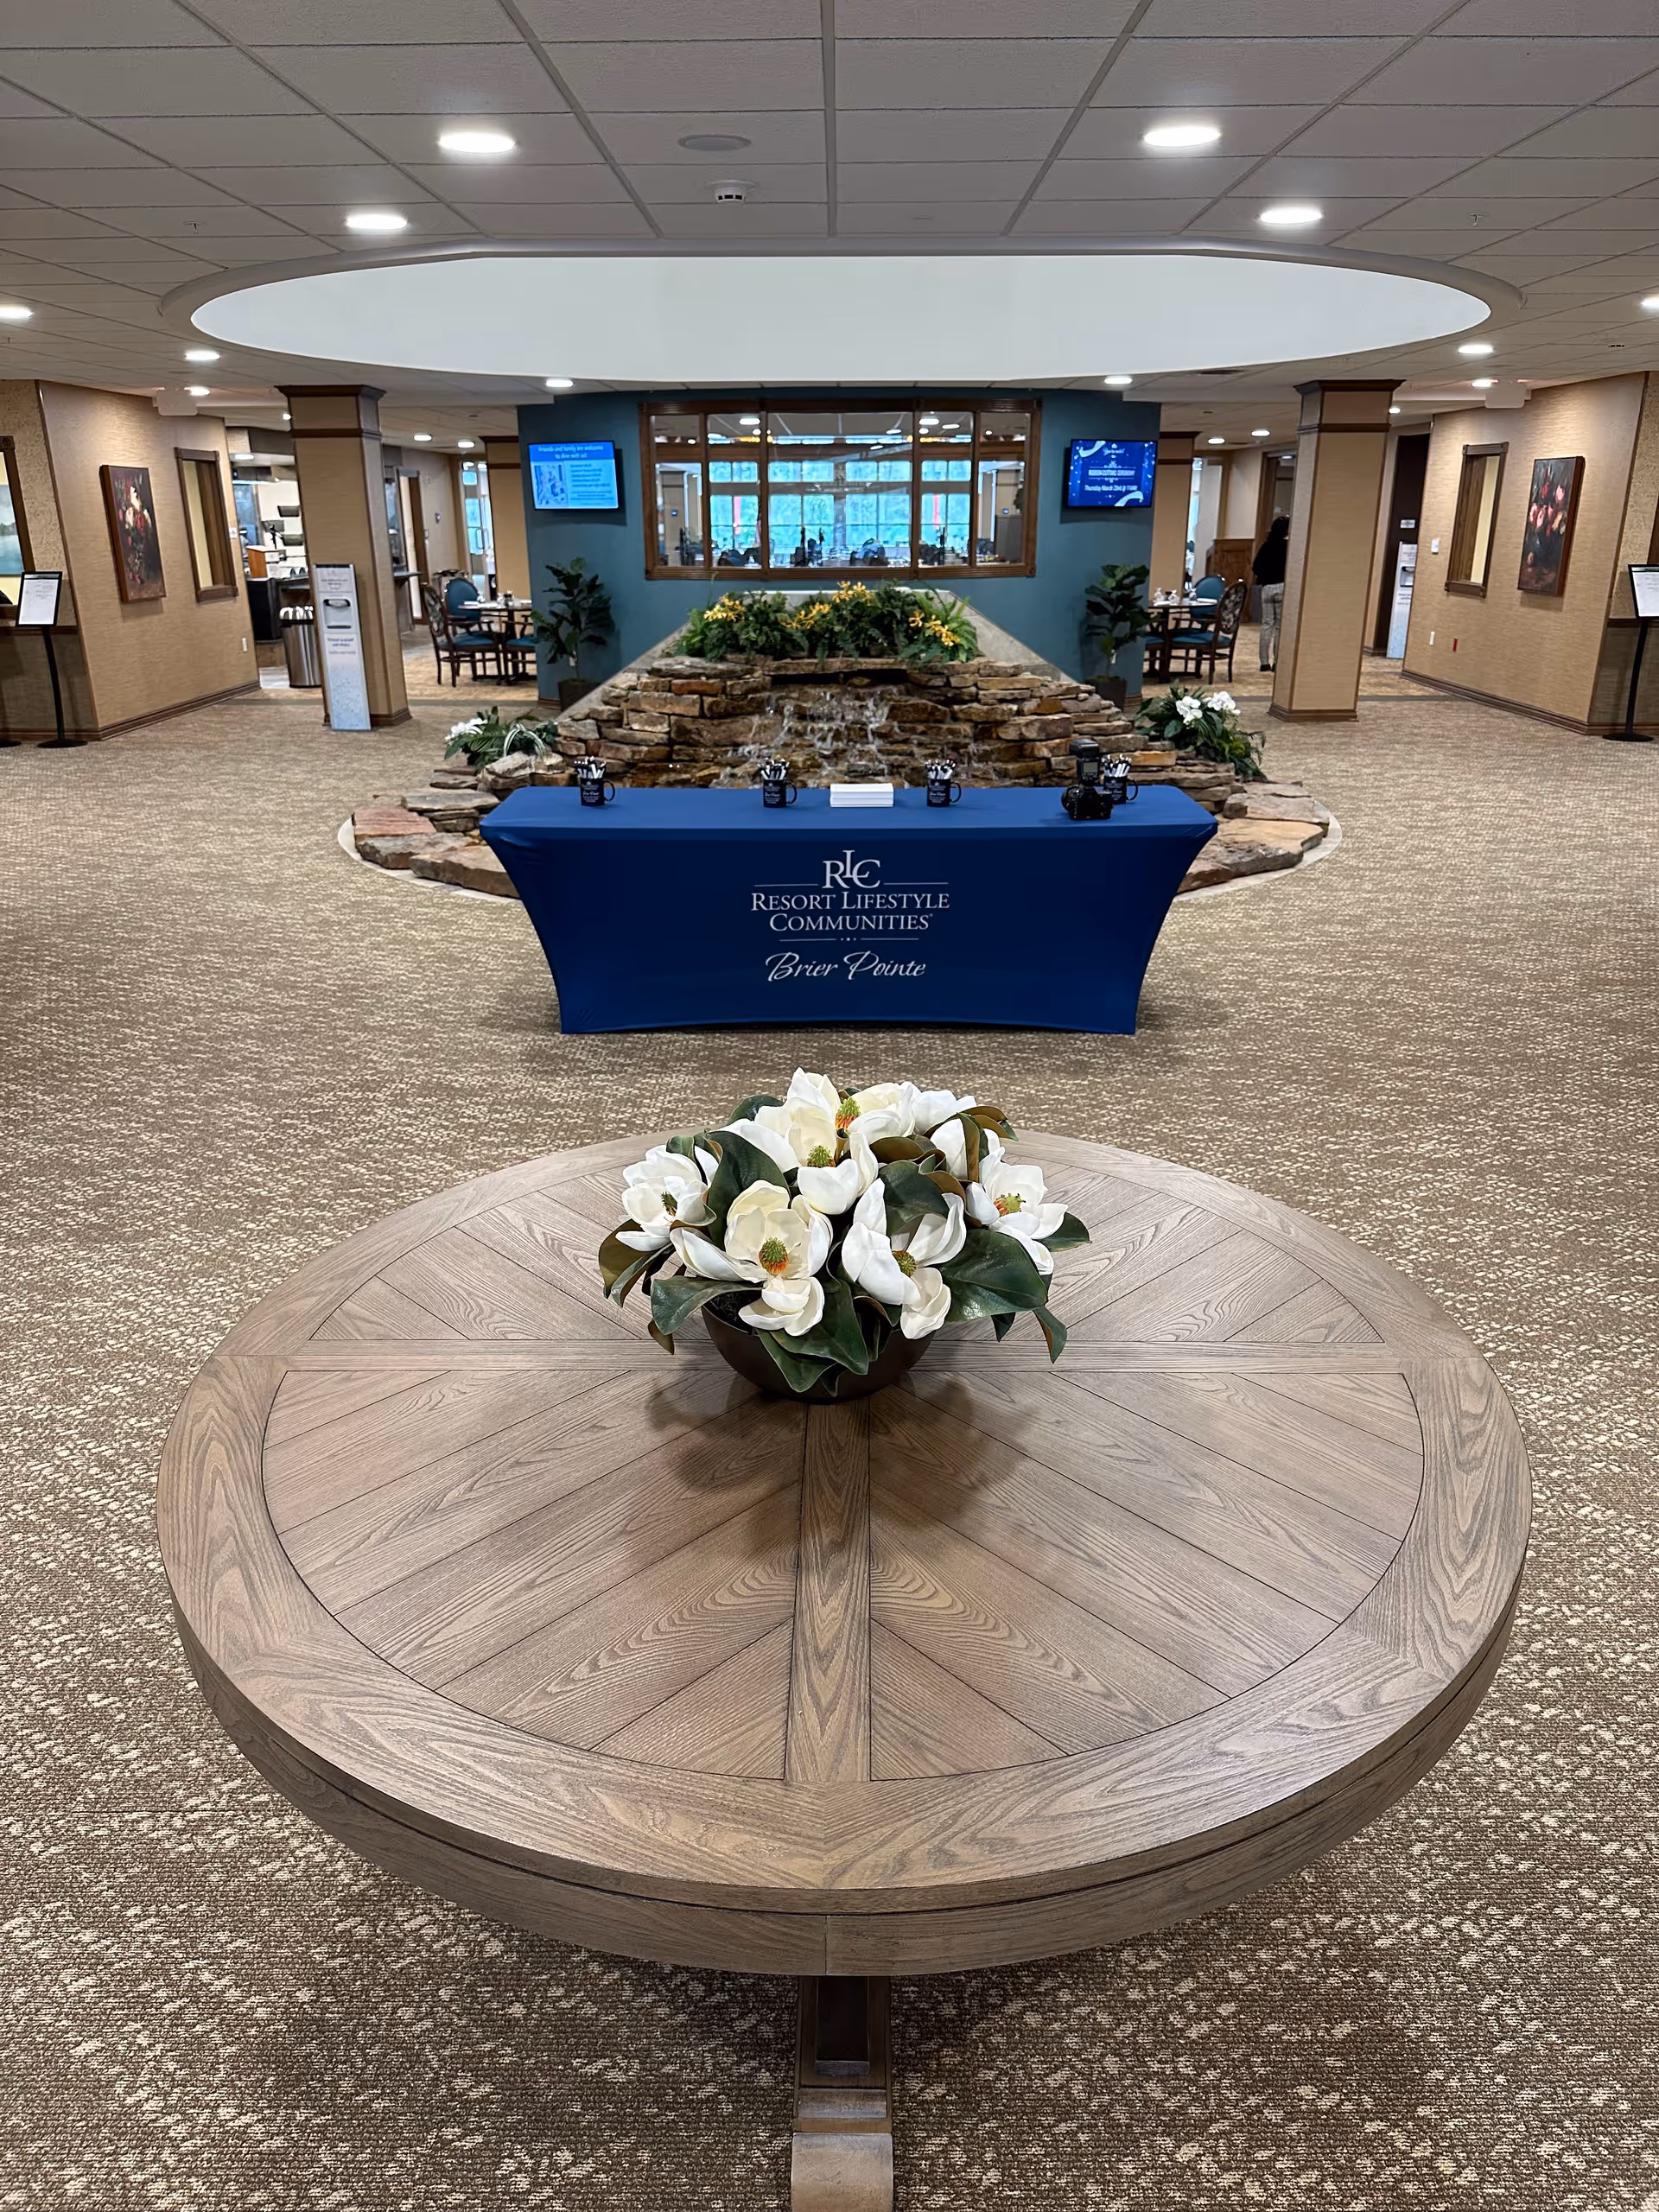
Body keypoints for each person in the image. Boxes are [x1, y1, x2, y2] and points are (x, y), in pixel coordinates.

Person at [1252, 515, 1290, 671]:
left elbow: (1255, 567)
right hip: (1282, 587)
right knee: (1280, 627)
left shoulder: (1266, 546)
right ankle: (1277, 662)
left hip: (1267, 588)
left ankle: (1264, 662)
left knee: (1266, 624)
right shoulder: (1288, 547)